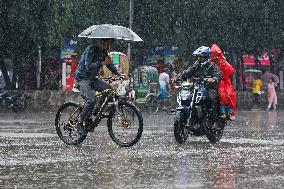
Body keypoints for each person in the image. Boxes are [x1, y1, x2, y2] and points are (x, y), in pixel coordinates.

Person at [74, 38, 122, 135]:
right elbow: (88, 65)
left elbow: (109, 65)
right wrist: (101, 63)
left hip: (92, 79)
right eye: (106, 43)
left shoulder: (104, 53)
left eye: (109, 44)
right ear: (102, 42)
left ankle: (97, 109)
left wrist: (118, 73)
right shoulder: (90, 49)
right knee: (91, 100)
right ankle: (79, 122)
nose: (107, 46)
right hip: (82, 79)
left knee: (108, 89)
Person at [179, 46, 221, 111]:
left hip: (208, 87)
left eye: (200, 57)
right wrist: (177, 78)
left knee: (210, 97)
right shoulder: (196, 65)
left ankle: (209, 114)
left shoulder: (213, 65)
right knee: (186, 96)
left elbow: (218, 75)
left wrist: (213, 79)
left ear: (206, 57)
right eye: (198, 57)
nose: (198, 58)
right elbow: (186, 73)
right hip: (195, 87)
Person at [210, 44, 237, 121]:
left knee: (230, 93)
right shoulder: (209, 63)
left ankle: (229, 112)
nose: (217, 57)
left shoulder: (222, 61)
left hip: (225, 82)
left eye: (218, 55)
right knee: (222, 94)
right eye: (215, 55)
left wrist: (225, 63)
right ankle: (222, 111)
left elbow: (231, 70)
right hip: (216, 82)